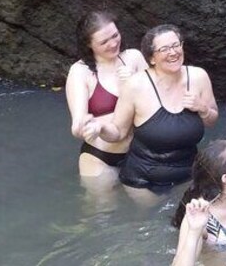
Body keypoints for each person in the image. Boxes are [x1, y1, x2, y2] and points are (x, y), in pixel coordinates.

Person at [83, 24, 218, 200]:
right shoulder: (136, 86)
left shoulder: (199, 77)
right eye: (164, 49)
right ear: (152, 59)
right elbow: (118, 132)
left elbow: (212, 121)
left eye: (176, 45)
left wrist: (203, 108)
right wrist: (100, 127)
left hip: (188, 174)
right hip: (143, 181)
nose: (173, 52)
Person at [65, 10, 147, 181]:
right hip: (101, 156)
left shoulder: (134, 57)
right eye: (104, 42)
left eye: (115, 35)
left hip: (142, 153)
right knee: (103, 207)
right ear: (89, 44)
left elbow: (157, 104)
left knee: (150, 205)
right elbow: (78, 125)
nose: (113, 43)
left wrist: (135, 83)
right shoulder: (80, 72)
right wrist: (90, 126)